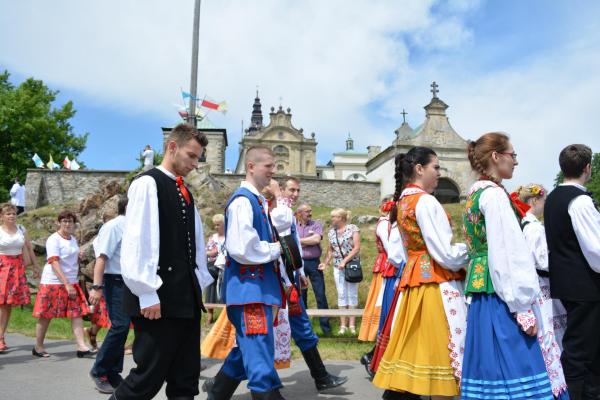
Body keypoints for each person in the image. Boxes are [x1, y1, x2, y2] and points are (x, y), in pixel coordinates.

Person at [114, 123, 213, 400]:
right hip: (157, 298)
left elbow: (194, 243)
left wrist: (199, 282)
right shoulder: (147, 183)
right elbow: (137, 240)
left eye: (198, 157)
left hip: (185, 296)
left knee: (186, 377)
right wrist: (146, 292)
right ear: (172, 147)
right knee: (147, 377)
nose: (195, 163)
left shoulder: (185, 191)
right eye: (191, 156)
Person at [460, 133, 555, 399]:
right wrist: (522, 306)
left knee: (488, 367)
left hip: (483, 292)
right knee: (516, 366)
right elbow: (507, 253)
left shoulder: (475, 192)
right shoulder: (494, 196)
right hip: (502, 293)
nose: (515, 162)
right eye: (512, 155)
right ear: (495, 156)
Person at [372, 146, 468, 400]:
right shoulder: (425, 201)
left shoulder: (403, 201)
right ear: (419, 169)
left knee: (416, 350)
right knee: (440, 356)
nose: (439, 173)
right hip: (435, 283)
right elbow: (444, 253)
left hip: (414, 281)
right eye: (435, 167)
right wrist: (469, 251)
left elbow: (398, 252)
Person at [206, 146, 285, 400]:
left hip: (258, 290)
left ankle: (216, 393)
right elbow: (242, 248)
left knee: (248, 350)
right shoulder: (242, 202)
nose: (273, 171)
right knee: (259, 354)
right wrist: (278, 249)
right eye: (268, 166)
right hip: (250, 292)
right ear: (251, 167)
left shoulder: (257, 201)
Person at [273, 176, 347, 392]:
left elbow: (293, 247)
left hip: (291, 277)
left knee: (301, 327)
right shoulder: (278, 214)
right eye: (291, 190)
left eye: (297, 191)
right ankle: (222, 384)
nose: (295, 195)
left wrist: (300, 272)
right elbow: (281, 247)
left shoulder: (288, 216)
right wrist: (291, 277)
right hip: (280, 281)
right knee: (263, 335)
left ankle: (321, 376)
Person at [544, 144, 600, 400]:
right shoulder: (580, 201)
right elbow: (595, 250)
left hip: (567, 283)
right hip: (586, 285)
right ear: (587, 168)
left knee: (583, 344)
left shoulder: (554, 197)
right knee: (583, 348)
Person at [514, 183, 569, 397]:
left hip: (536, 284)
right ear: (534, 201)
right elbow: (543, 260)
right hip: (542, 285)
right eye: (543, 200)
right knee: (551, 333)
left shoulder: (524, 225)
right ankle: (556, 381)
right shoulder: (534, 227)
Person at [32, 210, 96, 358]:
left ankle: (81, 346)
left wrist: (78, 256)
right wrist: (66, 283)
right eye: (64, 221)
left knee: (76, 313)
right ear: (59, 223)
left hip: (71, 281)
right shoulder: (53, 239)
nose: (67, 224)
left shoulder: (72, 239)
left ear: (74, 224)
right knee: (46, 315)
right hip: (53, 283)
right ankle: (38, 346)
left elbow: (70, 259)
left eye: (70, 221)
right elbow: (54, 262)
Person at [88, 196, 130, 394]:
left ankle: (113, 371)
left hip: (131, 282)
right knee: (120, 326)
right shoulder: (114, 226)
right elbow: (101, 258)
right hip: (116, 280)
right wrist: (97, 287)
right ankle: (99, 370)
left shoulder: (135, 226)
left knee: (123, 328)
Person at [0, 203, 39, 352]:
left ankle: (1, 336)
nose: (11, 216)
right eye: (8, 214)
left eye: (13, 214)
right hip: (2, 267)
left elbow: (29, 248)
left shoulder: (21, 229)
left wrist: (36, 266)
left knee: (7, 305)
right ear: (1, 216)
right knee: (2, 304)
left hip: (17, 268)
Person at [321, 208, 360, 334]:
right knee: (341, 294)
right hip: (338, 267)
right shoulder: (331, 232)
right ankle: (343, 325)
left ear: (341, 218)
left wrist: (345, 261)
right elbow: (331, 250)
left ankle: (352, 325)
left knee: (352, 294)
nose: (332, 219)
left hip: (352, 266)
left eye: (334, 217)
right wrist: (325, 263)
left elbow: (356, 248)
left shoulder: (353, 229)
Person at [359, 197, 392, 344]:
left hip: (386, 261)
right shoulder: (384, 224)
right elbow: (389, 246)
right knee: (381, 297)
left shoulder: (388, 224)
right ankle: (375, 332)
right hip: (387, 262)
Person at [296, 202, 331, 335]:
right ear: (299, 213)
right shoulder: (294, 226)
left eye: (310, 211)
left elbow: (316, 240)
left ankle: (326, 329)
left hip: (314, 263)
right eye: (307, 211)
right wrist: (307, 240)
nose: (310, 213)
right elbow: (292, 242)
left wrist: (298, 241)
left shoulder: (316, 224)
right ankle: (304, 329)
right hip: (299, 264)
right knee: (301, 296)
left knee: (320, 295)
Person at [204, 213, 226, 324]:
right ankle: (210, 313)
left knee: (226, 278)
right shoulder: (213, 238)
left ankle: (225, 313)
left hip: (226, 265)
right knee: (210, 277)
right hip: (213, 264)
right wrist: (212, 253)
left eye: (218, 225)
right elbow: (206, 252)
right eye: (215, 225)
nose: (216, 227)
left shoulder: (229, 237)